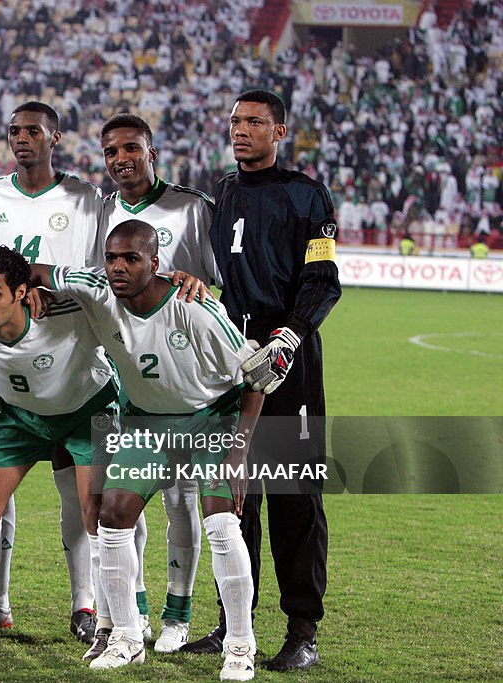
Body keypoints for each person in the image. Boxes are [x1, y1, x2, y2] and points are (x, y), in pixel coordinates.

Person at [26, 221, 259, 680]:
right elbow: (31, 270)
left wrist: (239, 450)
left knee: (220, 520)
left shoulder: (196, 308)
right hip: (146, 421)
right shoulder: (95, 287)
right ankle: (128, 637)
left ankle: (240, 644)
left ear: (155, 264)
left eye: (131, 258)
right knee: (112, 512)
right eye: (112, 257)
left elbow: (256, 374)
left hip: (210, 416)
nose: (118, 267)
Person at [187, 89, 341, 673]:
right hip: (232, 358)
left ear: (279, 131)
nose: (240, 130)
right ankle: (234, 623)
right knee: (233, 498)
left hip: (290, 362)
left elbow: (323, 279)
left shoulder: (307, 194)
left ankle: (303, 631)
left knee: (295, 499)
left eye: (254, 122)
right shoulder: (221, 193)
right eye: (234, 121)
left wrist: (289, 338)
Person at [0, 101, 105, 641]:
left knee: (78, 495)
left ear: (56, 137)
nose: (22, 139)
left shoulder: (86, 198)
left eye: (33, 131)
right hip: (3, 357)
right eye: (14, 131)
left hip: (70, 357)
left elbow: (95, 274)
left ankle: (86, 604)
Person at [0, 245, 119, 649]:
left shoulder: (67, 310)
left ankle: (105, 620)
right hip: (21, 415)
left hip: (87, 410)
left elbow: (115, 286)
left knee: (96, 512)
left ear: (22, 292)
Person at [98, 112, 222, 651]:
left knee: (179, 501)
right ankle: (136, 611)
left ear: (152, 152)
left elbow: (218, 280)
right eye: (111, 151)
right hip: (125, 371)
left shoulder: (192, 207)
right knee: (126, 500)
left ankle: (178, 613)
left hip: (183, 371)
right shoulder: (99, 210)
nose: (121, 159)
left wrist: (199, 283)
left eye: (132, 148)